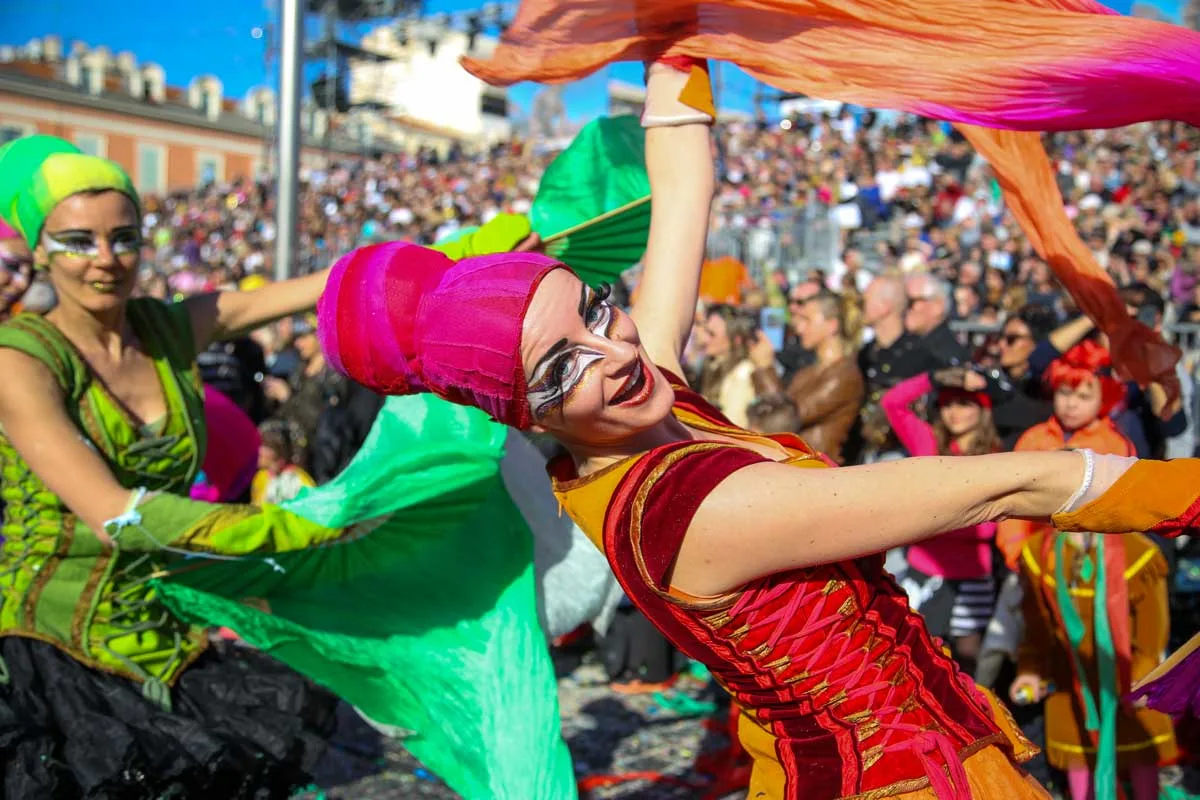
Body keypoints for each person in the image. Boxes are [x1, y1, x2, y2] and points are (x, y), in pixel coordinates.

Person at [321, 58, 1200, 799]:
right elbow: (1019, 481)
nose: (614, 349)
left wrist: (676, 41)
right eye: (560, 366)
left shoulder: (642, 398)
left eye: (596, 308)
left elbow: (681, 186)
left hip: (891, 749)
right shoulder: (684, 512)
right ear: (527, 414)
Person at [0, 135, 576, 799]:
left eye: (123, 237)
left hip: (166, 621)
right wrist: (292, 528)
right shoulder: (22, 358)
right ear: (41, 249)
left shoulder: (167, 328)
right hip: (52, 647)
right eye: (78, 242)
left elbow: (329, 285)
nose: (105, 260)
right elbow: (112, 515)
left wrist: (455, 256)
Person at [1006, 344, 1175, 800]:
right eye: (1062, 394)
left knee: (1139, 760)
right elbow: (1037, 628)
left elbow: (1153, 630)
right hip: (1069, 670)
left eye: (1081, 395)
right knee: (1076, 758)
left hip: (1122, 674)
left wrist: (1141, 675)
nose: (1069, 404)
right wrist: (1021, 559)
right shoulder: (1041, 556)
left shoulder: (1139, 557)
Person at [882, 367, 1000, 675]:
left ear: (982, 409)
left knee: (967, 662)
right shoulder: (928, 443)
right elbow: (893, 403)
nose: (954, 412)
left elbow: (988, 528)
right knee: (917, 658)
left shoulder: (996, 456)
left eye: (964, 403)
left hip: (972, 576)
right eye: (947, 404)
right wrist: (936, 379)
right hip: (925, 573)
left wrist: (932, 518)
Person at [749, 290, 865, 464]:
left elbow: (784, 420)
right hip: (797, 466)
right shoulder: (809, 371)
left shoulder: (844, 376)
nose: (799, 327)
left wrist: (764, 367)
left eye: (807, 320)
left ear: (831, 325)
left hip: (818, 471)